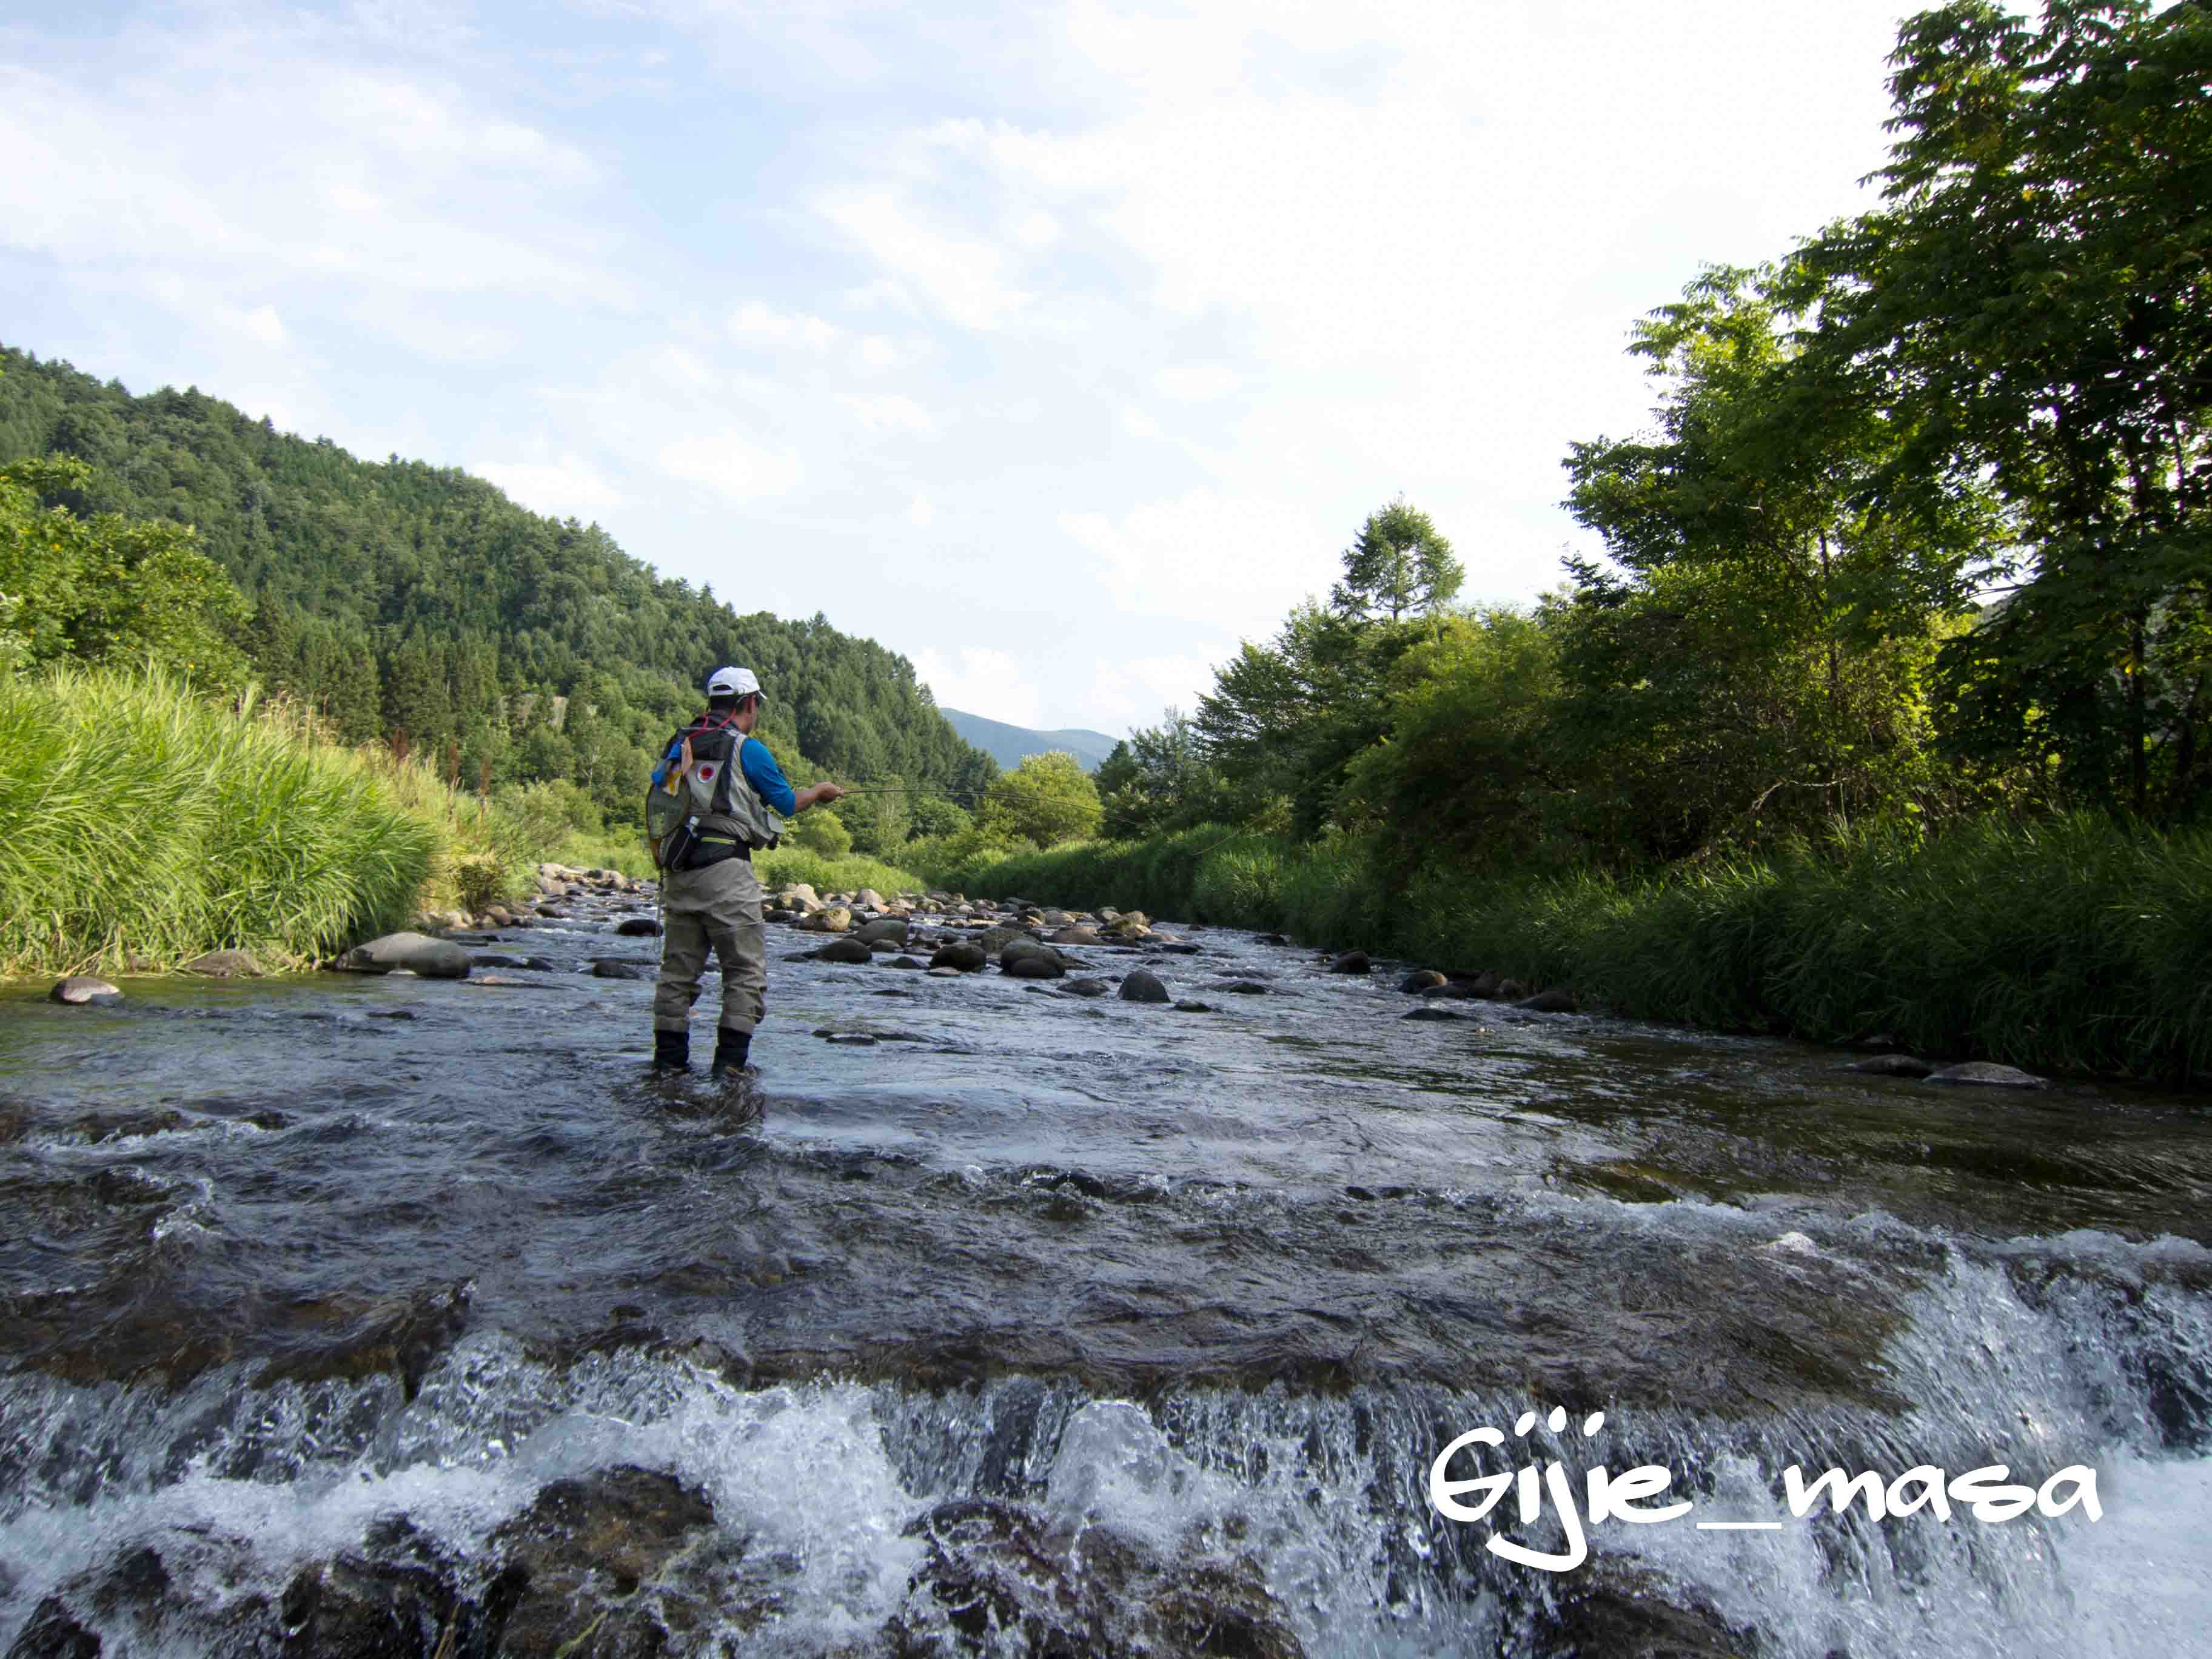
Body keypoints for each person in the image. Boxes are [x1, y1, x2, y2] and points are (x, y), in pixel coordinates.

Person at [651, 666, 843, 1078]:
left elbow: (661, 798)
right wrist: (822, 792)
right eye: (756, 704)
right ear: (748, 703)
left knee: (677, 974)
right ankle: (729, 1071)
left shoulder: (679, 743)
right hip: (726, 872)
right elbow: (788, 804)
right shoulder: (748, 749)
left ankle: (668, 1068)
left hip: (679, 869)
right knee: (743, 972)